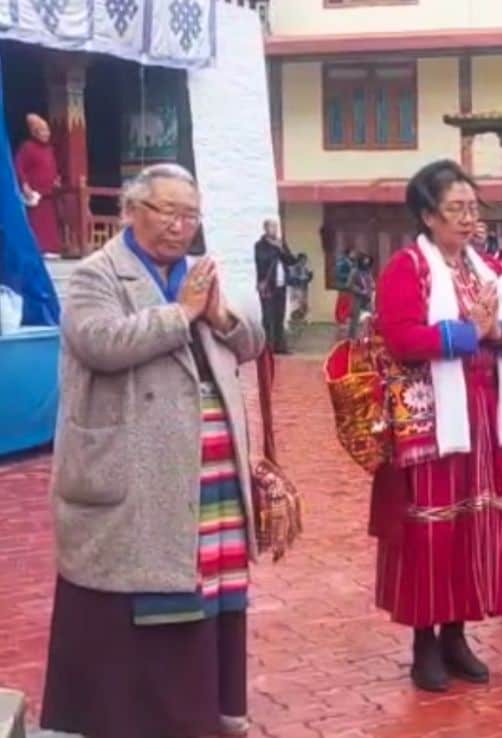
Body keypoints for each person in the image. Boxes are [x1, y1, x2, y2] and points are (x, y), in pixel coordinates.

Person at [40, 163, 265, 738]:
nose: (180, 226)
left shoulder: (198, 274)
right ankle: (138, 721)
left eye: (190, 215)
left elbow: (252, 343)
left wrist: (219, 316)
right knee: (137, 594)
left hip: (208, 467)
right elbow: (100, 343)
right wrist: (182, 314)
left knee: (209, 590)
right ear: (131, 212)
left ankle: (205, 710)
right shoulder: (97, 274)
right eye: (167, 212)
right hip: (133, 469)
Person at [369, 159, 502, 692]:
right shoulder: (408, 268)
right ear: (427, 215)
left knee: (476, 525)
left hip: (484, 418)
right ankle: (424, 643)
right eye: (455, 209)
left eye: (472, 208)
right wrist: (469, 333)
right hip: (432, 423)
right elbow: (401, 338)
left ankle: (457, 634)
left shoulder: (490, 268)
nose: (468, 219)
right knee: (432, 529)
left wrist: (496, 334)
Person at [15, 113, 62, 256]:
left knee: (49, 222)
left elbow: (52, 167)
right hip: (34, 194)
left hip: (49, 193)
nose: (46, 134)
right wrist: (25, 186)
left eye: (47, 130)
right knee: (36, 222)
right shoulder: (27, 148)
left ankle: (51, 249)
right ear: (35, 133)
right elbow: (19, 167)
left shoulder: (49, 149)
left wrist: (55, 180)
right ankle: (38, 249)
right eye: (43, 131)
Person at [254, 218, 298, 354]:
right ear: (265, 229)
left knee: (280, 316)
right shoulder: (260, 245)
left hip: (281, 285)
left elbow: (291, 261)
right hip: (268, 286)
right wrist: (276, 248)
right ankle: (268, 347)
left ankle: (280, 347)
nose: (275, 230)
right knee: (268, 318)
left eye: (276, 227)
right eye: (272, 227)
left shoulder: (280, 244)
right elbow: (262, 260)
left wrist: (281, 249)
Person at [349, 253, 376, 338]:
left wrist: (372, 285)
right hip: (358, 298)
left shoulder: (368, 271)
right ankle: (352, 337)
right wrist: (360, 291)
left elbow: (371, 282)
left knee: (370, 316)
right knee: (355, 318)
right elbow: (350, 285)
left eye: (367, 260)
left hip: (367, 297)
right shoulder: (354, 272)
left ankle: (368, 336)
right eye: (365, 260)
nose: (366, 262)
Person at [286, 252, 315, 325]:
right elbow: (291, 279)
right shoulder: (293, 268)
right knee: (296, 306)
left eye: (305, 260)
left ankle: (301, 320)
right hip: (296, 290)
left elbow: (307, 279)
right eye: (304, 259)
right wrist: (303, 279)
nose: (305, 261)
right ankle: (294, 321)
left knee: (303, 306)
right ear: (299, 259)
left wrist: (310, 276)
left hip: (303, 289)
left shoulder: (305, 268)